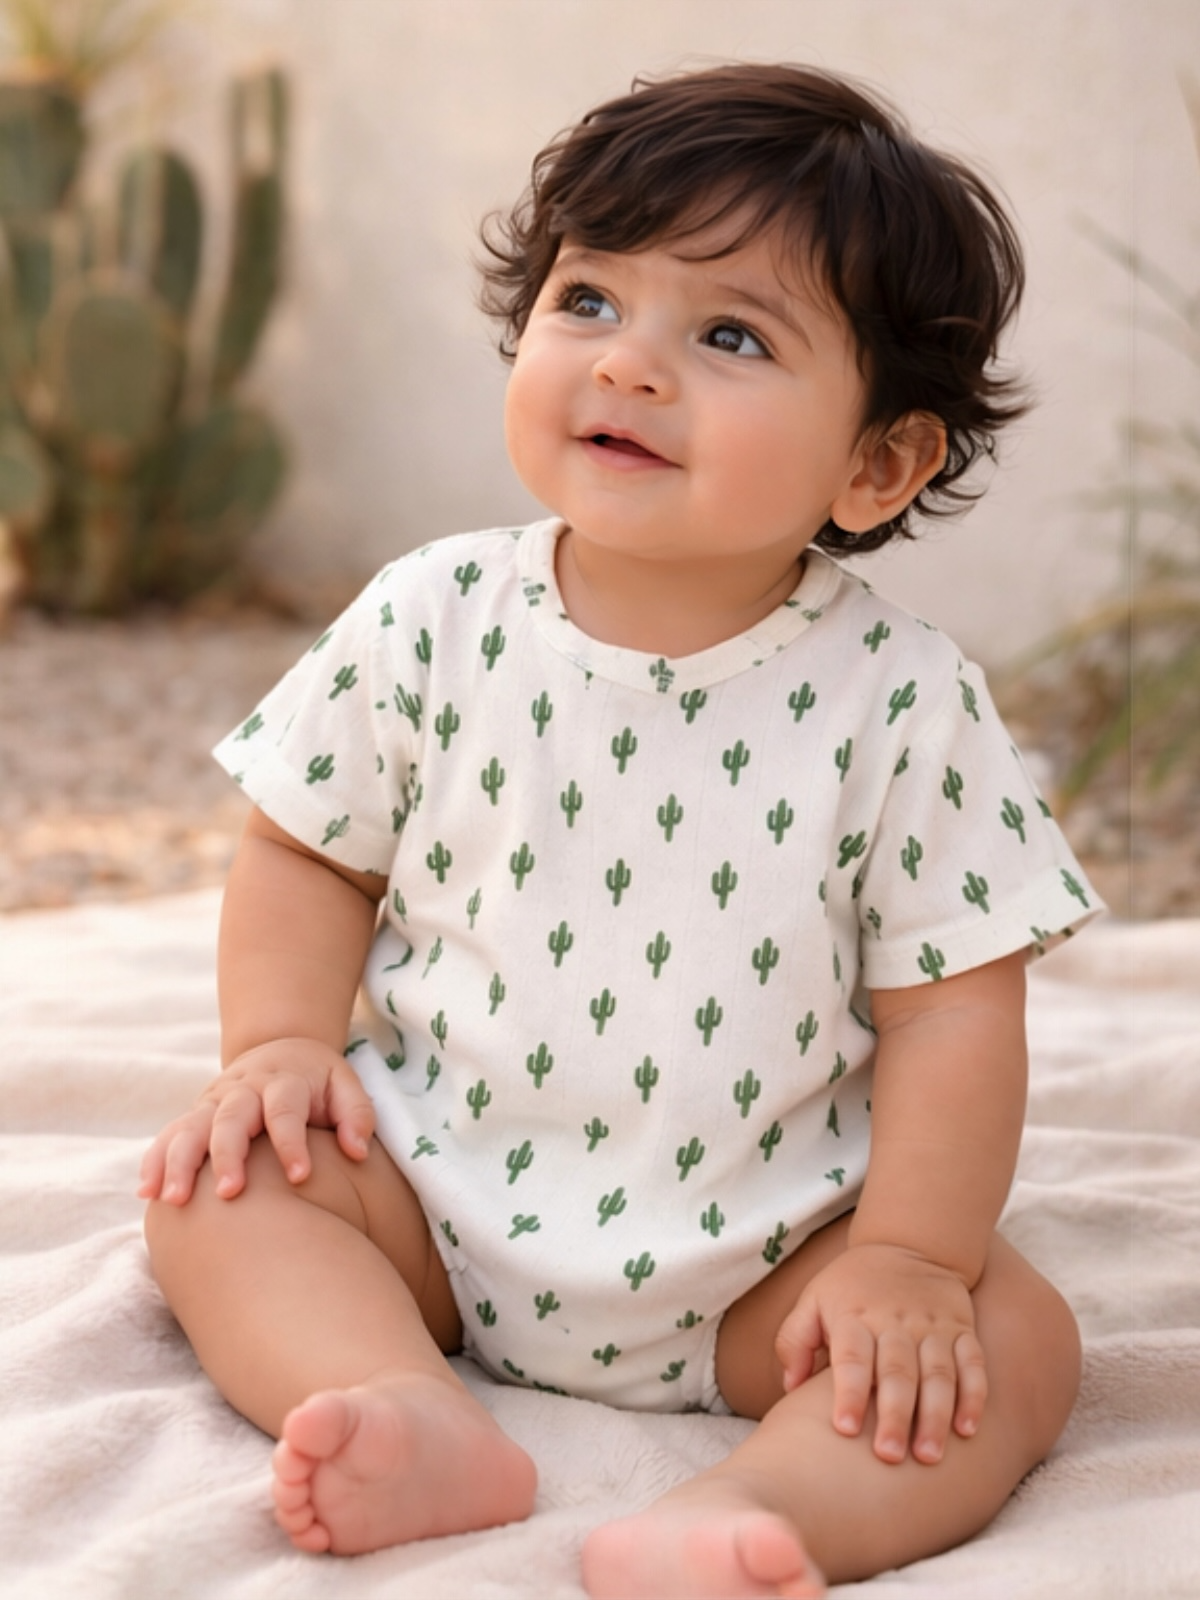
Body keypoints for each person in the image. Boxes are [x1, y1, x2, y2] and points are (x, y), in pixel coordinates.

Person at [141, 62, 1099, 1598]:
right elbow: (308, 848)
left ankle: (757, 1510)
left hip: (770, 1254)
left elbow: (957, 1012)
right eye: (590, 301)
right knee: (221, 1191)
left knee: (1013, 1341)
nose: (630, 366)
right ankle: (402, 1402)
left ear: (878, 464)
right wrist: (275, 1045)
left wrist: (913, 1259)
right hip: (432, 1203)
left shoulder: (905, 702)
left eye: (728, 335)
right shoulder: (433, 615)